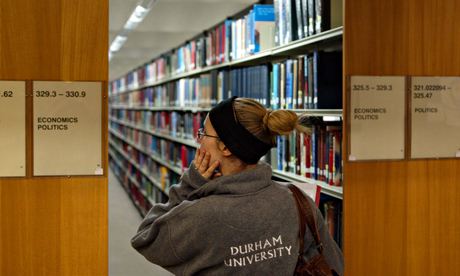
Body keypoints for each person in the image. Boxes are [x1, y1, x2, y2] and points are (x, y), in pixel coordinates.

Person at [131, 96, 343, 275]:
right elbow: (336, 265)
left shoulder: (200, 214)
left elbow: (146, 237)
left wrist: (190, 185)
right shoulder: (297, 199)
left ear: (225, 147)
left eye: (203, 133)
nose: (199, 140)